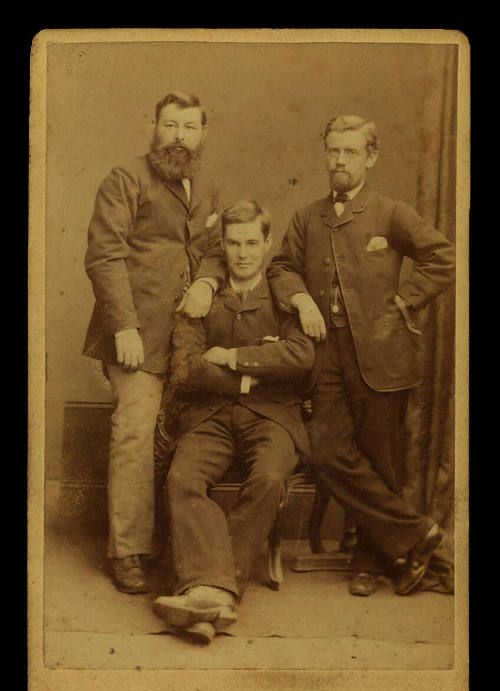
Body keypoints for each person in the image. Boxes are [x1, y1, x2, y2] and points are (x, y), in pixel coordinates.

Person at [194, 115, 455, 597]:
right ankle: (418, 537)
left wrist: (406, 299)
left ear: (370, 157)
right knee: (328, 450)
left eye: (350, 152)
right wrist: (302, 300)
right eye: (333, 151)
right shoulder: (307, 217)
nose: (339, 161)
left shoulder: (392, 213)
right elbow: (283, 268)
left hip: (383, 356)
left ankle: (372, 561)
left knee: (381, 462)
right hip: (325, 356)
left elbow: (445, 258)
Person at [152, 199, 315, 642]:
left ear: (266, 245)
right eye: (233, 243)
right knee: (182, 477)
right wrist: (250, 379)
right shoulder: (201, 296)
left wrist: (232, 359)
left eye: (251, 243)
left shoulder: (285, 296)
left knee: (268, 477)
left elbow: (301, 357)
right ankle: (218, 597)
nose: (242, 253)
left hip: (273, 417)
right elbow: (186, 367)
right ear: (221, 246)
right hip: (210, 413)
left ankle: (208, 591)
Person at [82, 91, 222, 594]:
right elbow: (104, 255)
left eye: (189, 127)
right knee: (135, 436)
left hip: (185, 339)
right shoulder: (126, 179)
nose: (179, 136)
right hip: (134, 337)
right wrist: (123, 328)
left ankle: (171, 544)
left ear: (203, 134)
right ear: (154, 126)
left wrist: (206, 282)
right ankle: (129, 551)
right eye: (170, 124)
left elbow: (213, 250)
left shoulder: (205, 187)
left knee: (178, 439)